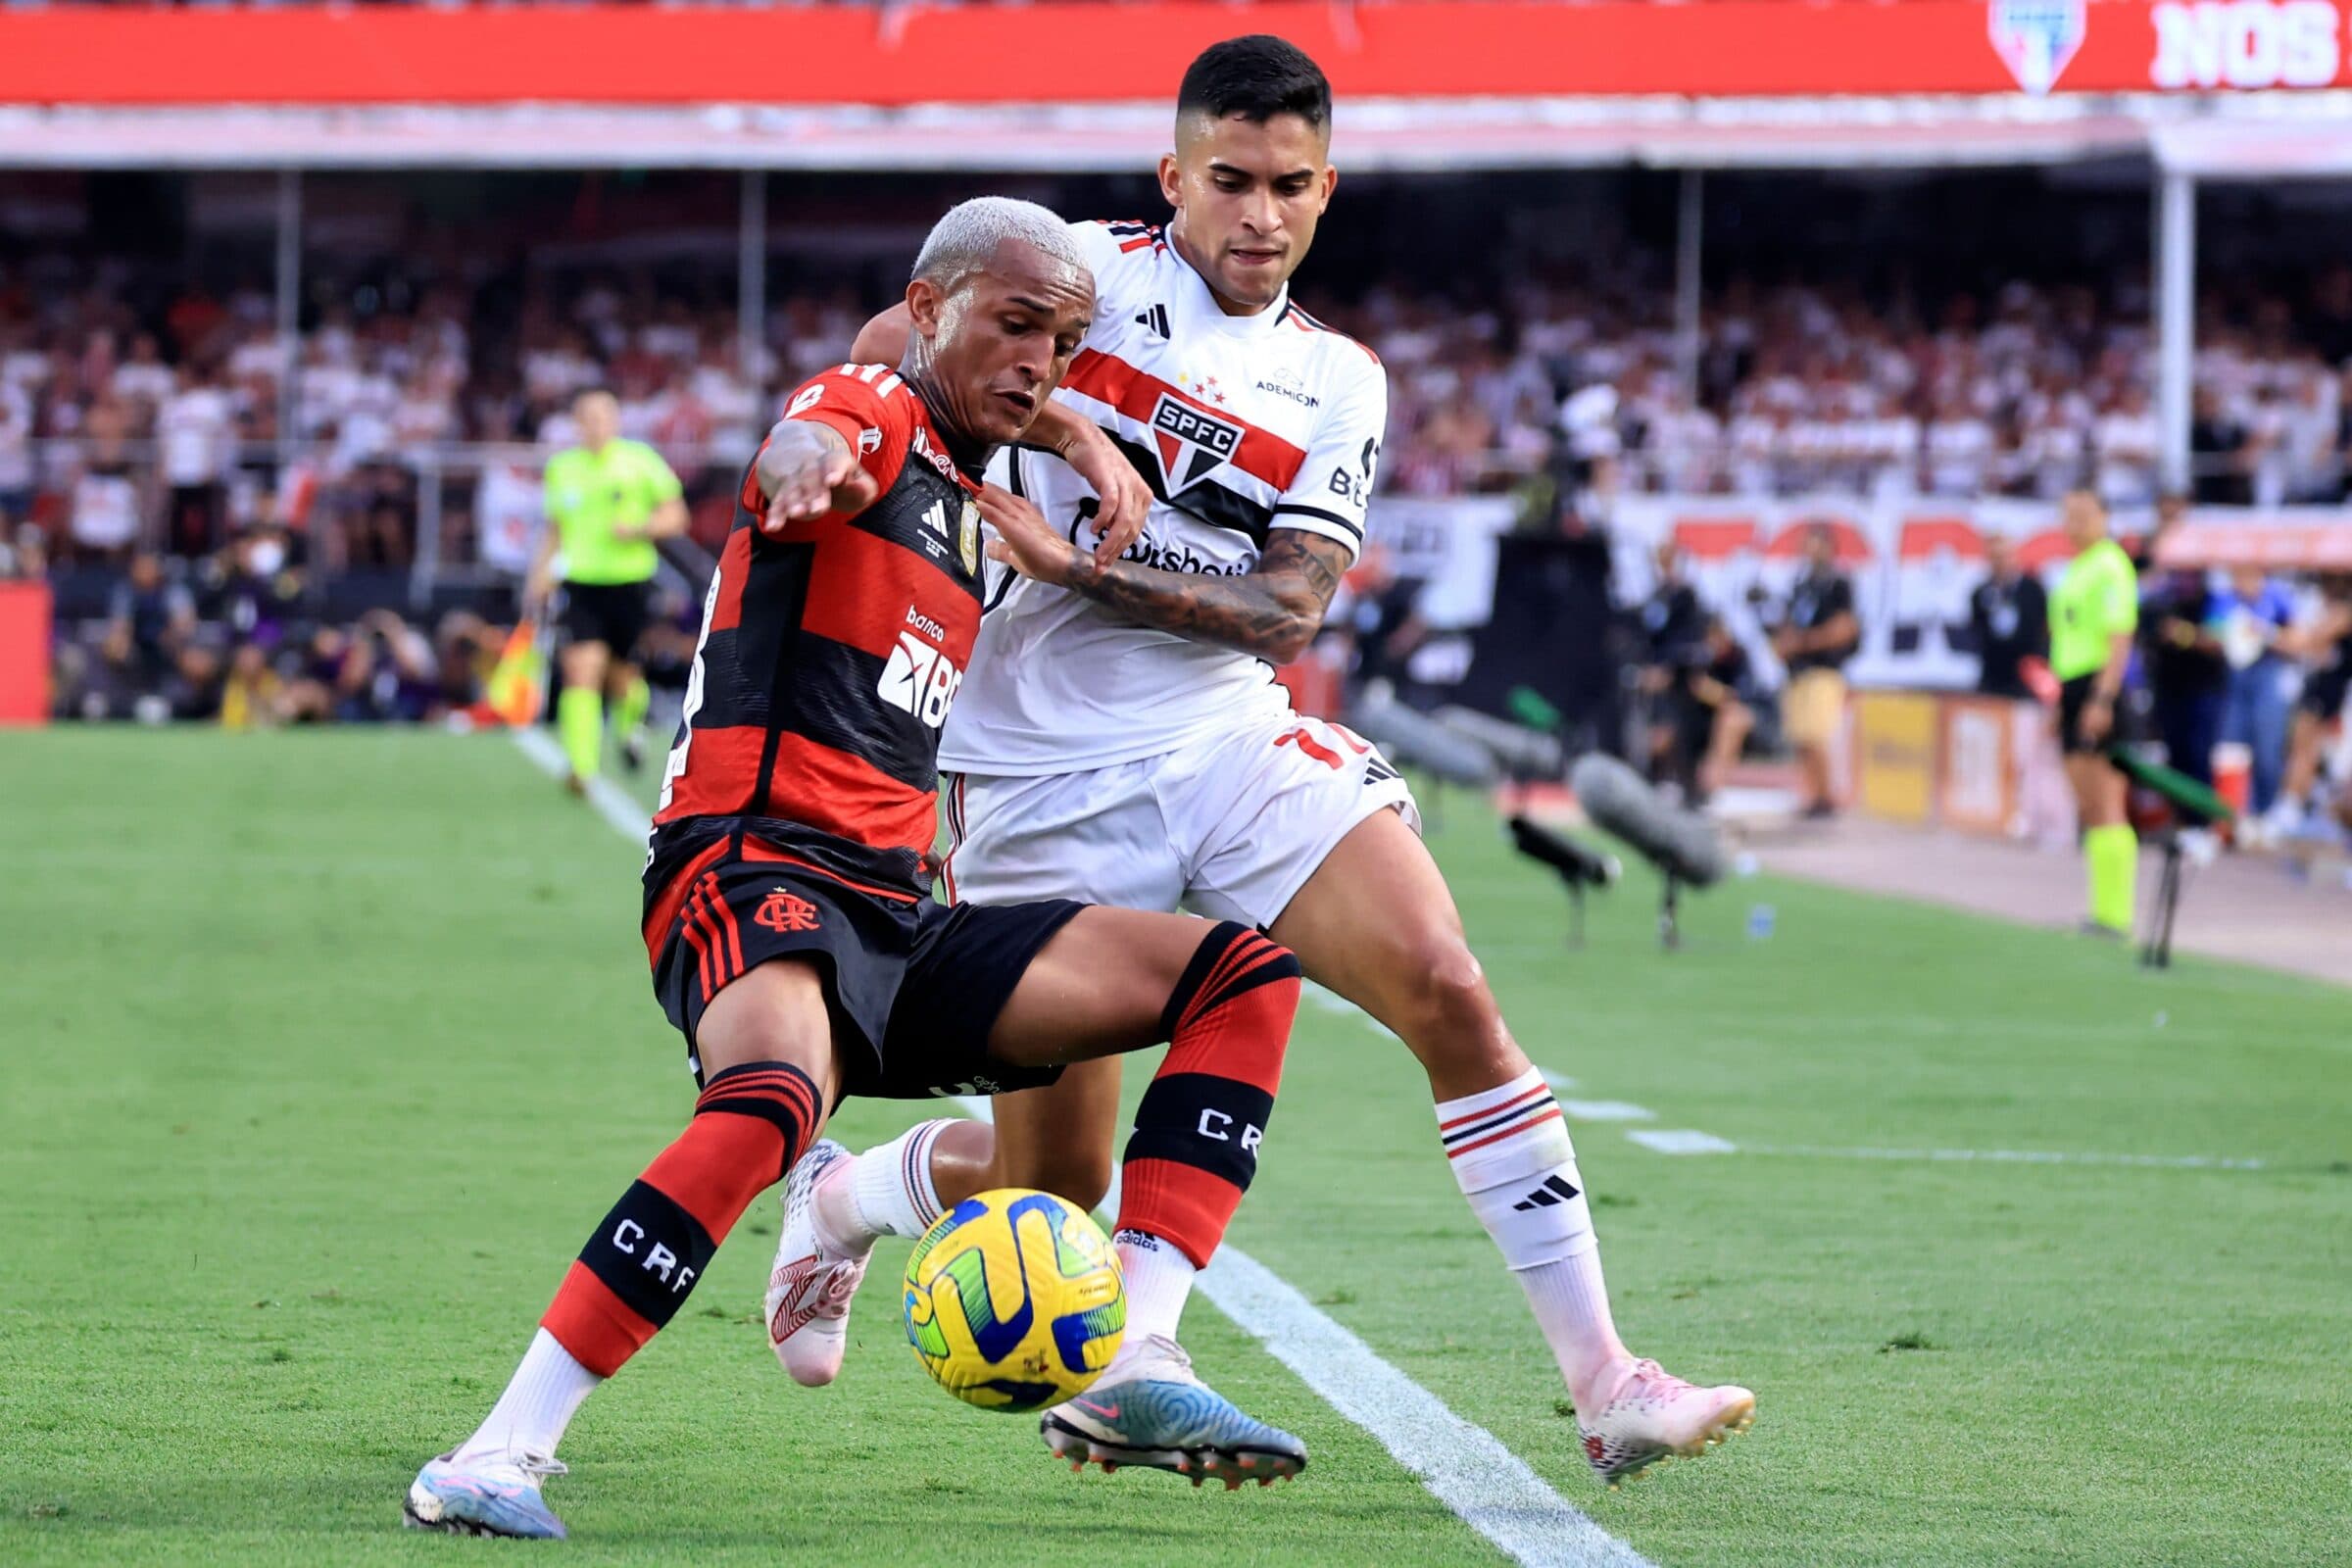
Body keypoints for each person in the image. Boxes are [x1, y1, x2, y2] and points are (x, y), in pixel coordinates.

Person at [788, 36, 1753, 1491]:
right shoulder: (1081, 276)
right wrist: (1060, 426)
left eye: (1288, 187)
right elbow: (885, 350)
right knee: (1054, 1184)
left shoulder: (1336, 382)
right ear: (1171, 177)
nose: (1257, 215)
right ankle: (846, 1199)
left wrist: (1079, 557)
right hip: (1032, 779)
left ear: (1326, 190)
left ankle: (1607, 1381)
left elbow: (1288, 609)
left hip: (1227, 735)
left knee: (1449, 988)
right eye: (1226, 181)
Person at [406, 200, 1309, 1541]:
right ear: (935, 308)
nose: (1040, 363)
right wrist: (802, 460)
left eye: (1064, 344)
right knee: (768, 1096)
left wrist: (1064, 424)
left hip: (900, 910)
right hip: (750, 863)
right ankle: (496, 1452)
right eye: (1015, 327)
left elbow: (967, 375)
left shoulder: (973, 485)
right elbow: (837, 410)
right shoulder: (876, 409)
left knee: (1239, 973)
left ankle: (1136, 1349)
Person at [525, 387, 686, 796]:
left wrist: (640, 528)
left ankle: (629, 726)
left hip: (629, 584)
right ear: (577, 424)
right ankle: (581, 767)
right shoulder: (563, 468)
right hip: (581, 584)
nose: (596, 426)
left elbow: (675, 516)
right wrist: (540, 575)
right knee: (581, 668)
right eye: (588, 419)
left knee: (623, 680)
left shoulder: (640, 462)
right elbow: (555, 528)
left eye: (604, 418)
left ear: (615, 422)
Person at [2046, 489, 2139, 937]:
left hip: (2096, 686)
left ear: (2104, 516)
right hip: (2071, 685)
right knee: (2086, 802)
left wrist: (2101, 699)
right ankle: (2100, 908)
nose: (2075, 524)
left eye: (2084, 515)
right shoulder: (2075, 569)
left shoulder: (2110, 565)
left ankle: (2116, 913)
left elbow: (2118, 638)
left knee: (2107, 800)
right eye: (2069, 515)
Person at [1772, 523, 1859, 818]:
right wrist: (1784, 643)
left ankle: (1826, 796)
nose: (1808, 549)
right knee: (1801, 736)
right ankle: (1811, 793)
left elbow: (1845, 627)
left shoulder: (1838, 582)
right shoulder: (1801, 583)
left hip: (1823, 669)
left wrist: (1804, 642)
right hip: (1797, 671)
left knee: (1817, 734)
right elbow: (1789, 623)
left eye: (1814, 543)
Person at [1967, 531, 2048, 701]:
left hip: (2027, 678)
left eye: (2004, 556)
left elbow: (2044, 629)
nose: (2000, 562)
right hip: (1992, 678)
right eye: (1995, 557)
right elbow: (1977, 634)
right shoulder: (1980, 594)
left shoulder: (2033, 590)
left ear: (2015, 556)